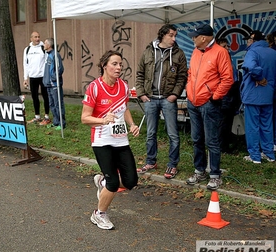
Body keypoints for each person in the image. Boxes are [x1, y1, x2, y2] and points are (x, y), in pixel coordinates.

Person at [81, 50, 140, 230]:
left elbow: (125, 109)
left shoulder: (123, 86)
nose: (118, 67)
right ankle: (99, 214)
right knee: (113, 182)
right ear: (104, 66)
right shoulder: (95, 87)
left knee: (131, 181)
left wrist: (131, 124)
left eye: (120, 64)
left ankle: (102, 182)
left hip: (120, 139)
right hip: (101, 140)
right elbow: (85, 118)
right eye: (114, 64)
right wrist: (103, 120)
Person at [185, 24, 234, 191]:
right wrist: (189, 89)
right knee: (197, 138)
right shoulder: (196, 51)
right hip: (193, 101)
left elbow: (227, 78)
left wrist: (215, 96)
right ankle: (199, 171)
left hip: (209, 103)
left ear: (203, 38)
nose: (193, 39)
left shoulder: (221, 52)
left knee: (211, 140)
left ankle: (214, 175)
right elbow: (191, 72)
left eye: (195, 36)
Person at [135, 24, 187, 179]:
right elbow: (140, 74)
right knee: (151, 133)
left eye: (175, 35)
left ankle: (172, 165)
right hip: (150, 98)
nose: (174, 38)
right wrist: (141, 93)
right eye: (171, 35)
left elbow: (182, 76)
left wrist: (174, 95)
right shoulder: (148, 52)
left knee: (173, 134)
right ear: (162, 35)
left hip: (167, 99)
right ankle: (150, 161)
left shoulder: (178, 54)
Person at [240, 30, 276, 163]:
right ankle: (269, 154)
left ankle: (255, 156)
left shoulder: (252, 52)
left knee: (252, 126)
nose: (247, 42)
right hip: (268, 94)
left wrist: (260, 77)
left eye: (248, 40)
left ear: (253, 40)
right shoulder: (273, 52)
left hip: (253, 95)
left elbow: (250, 66)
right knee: (267, 125)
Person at [216, 38, 242, 153]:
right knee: (223, 123)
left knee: (228, 122)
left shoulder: (228, 59)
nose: (227, 48)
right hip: (223, 97)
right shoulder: (218, 60)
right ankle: (222, 147)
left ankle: (225, 145)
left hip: (231, 96)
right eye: (224, 46)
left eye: (228, 46)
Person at [23, 31, 51, 126]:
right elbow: (25, 64)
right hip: (32, 77)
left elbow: (48, 62)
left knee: (45, 96)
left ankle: (47, 116)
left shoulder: (43, 48)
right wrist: (25, 78)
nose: (37, 39)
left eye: (38, 37)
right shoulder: (27, 50)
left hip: (42, 76)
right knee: (34, 97)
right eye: (35, 37)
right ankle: (37, 116)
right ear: (31, 38)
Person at [42, 38, 66, 130]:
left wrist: (53, 79)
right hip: (48, 85)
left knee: (58, 103)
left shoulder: (55, 55)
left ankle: (62, 123)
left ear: (49, 45)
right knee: (51, 104)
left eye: (45, 43)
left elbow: (60, 69)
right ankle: (56, 122)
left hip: (54, 85)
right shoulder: (47, 55)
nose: (43, 45)